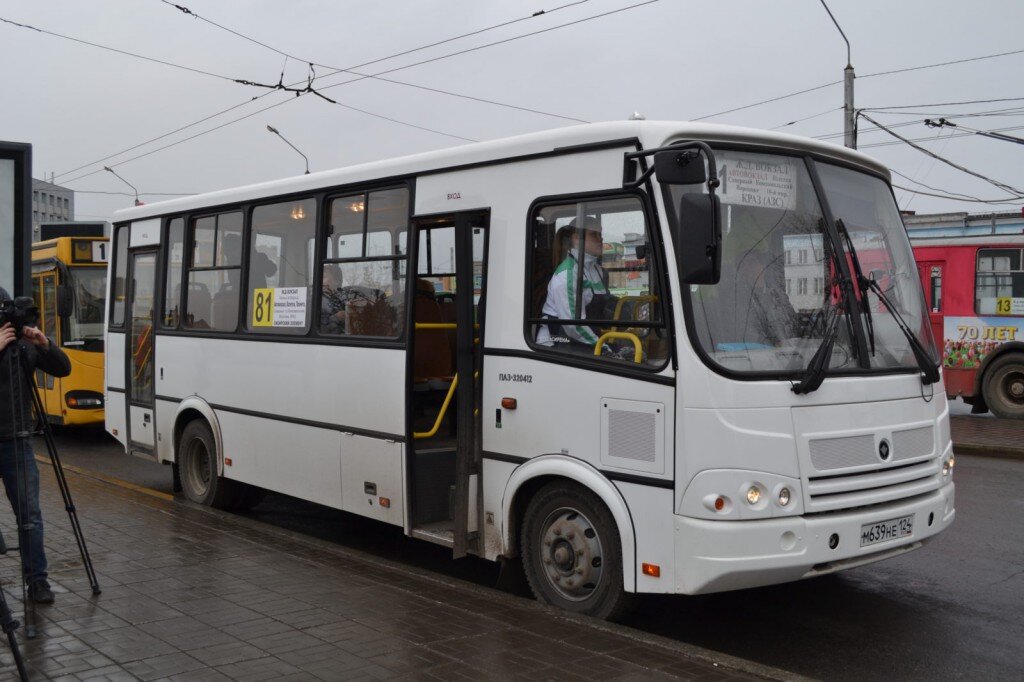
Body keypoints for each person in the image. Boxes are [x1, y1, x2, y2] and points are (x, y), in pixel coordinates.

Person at [0, 287, 71, 604]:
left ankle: (37, 581)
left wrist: (44, 344)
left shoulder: (21, 347)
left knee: (30, 515)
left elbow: (63, 368)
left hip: (17, 440)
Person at [536, 217, 615, 351]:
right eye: (594, 234)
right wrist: (603, 348)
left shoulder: (598, 270)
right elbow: (574, 326)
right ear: (577, 238)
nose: (600, 239)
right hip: (557, 344)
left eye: (600, 234)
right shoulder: (567, 275)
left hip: (585, 339)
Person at [320, 265, 346, 333]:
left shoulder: (341, 298)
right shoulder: (316, 301)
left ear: (336, 280)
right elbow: (319, 329)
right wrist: (336, 318)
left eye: (324, 277)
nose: (320, 280)